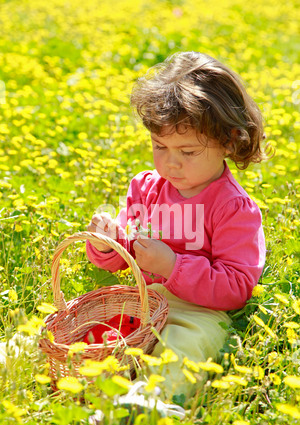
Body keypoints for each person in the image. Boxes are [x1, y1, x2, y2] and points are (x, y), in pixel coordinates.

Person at [86, 51, 267, 403]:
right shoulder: (145, 188)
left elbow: (237, 286)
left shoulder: (234, 208)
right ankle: (24, 355)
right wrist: (109, 244)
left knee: (185, 349)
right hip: (142, 301)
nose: (171, 163)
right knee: (92, 325)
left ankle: (150, 402)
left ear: (229, 141)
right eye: (160, 146)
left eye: (188, 151)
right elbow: (124, 254)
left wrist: (172, 266)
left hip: (198, 312)